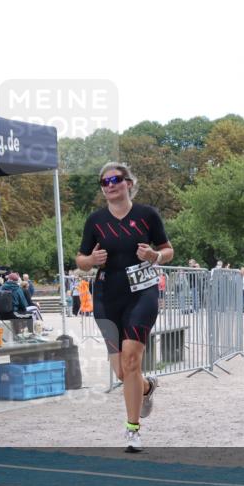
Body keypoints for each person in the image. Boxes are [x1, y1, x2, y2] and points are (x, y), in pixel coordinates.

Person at [76, 162, 172, 452]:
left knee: (132, 360)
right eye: (103, 182)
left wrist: (155, 255)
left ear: (129, 183)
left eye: (115, 179)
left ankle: (132, 430)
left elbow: (168, 250)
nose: (109, 185)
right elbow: (80, 260)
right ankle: (145, 387)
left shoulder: (147, 215)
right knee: (122, 372)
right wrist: (90, 262)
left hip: (142, 293)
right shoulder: (95, 220)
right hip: (107, 296)